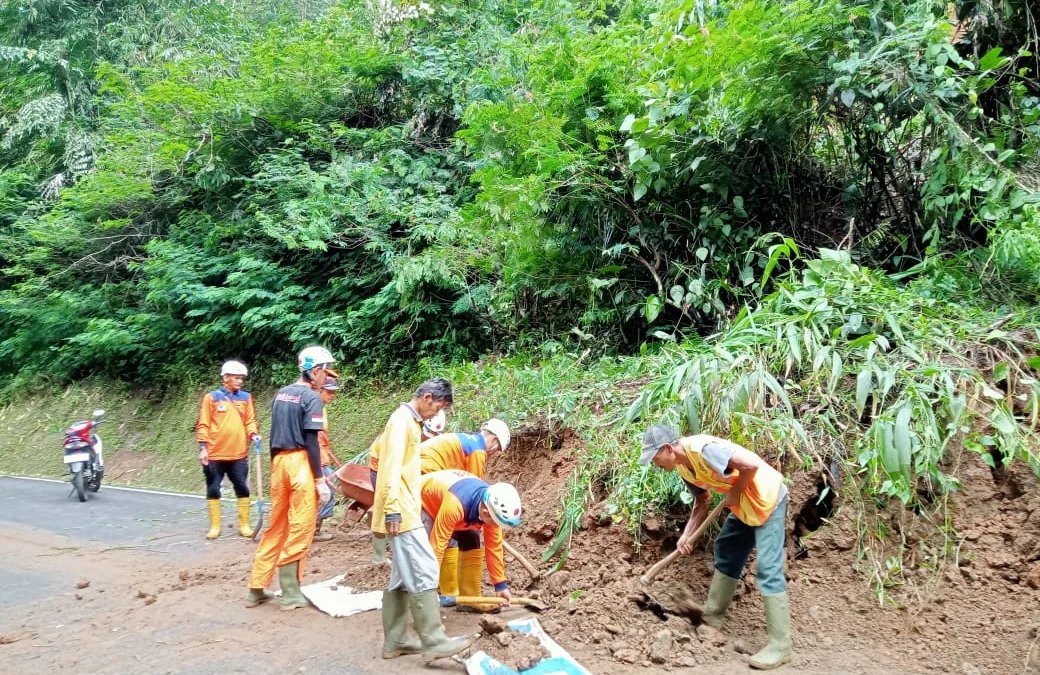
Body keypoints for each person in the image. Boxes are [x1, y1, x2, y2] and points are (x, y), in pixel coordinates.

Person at [639, 424, 791, 670]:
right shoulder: (684, 467)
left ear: (667, 448)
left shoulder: (703, 450)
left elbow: (750, 465)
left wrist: (737, 490)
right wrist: (686, 536)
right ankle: (713, 616)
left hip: (767, 499)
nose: (655, 464)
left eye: (654, 457)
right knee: (727, 549)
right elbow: (702, 501)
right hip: (744, 504)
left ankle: (781, 646)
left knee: (768, 569)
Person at [370, 378, 473, 663]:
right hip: (400, 510)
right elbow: (389, 468)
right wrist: (391, 508)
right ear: (427, 397)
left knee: (403, 574)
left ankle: (396, 639)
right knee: (425, 566)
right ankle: (434, 640)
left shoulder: (409, 422)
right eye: (437, 407)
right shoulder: (401, 422)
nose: (436, 414)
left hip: (406, 506)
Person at [245, 347, 334, 610]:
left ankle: (256, 587)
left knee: (277, 525)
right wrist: (319, 479)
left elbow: (274, 433)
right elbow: (311, 440)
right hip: (299, 463)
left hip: (279, 462)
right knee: (301, 525)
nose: (325, 378)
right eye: (325, 371)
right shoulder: (311, 397)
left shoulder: (281, 394)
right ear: (315, 370)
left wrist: (276, 465)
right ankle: (291, 591)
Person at [419, 419, 511, 601]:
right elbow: (474, 488)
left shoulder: (471, 443)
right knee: (449, 538)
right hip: (421, 476)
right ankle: (441, 591)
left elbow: (493, 543)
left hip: (436, 477)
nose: (495, 454)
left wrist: (500, 584)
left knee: (470, 533)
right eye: (497, 450)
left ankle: (467, 596)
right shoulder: (478, 451)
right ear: (493, 440)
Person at [420, 469, 520, 612]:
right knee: (438, 544)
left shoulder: (491, 511)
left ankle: (470, 598)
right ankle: (429, 600)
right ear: (485, 513)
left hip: (451, 501)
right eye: (494, 523)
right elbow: (438, 544)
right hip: (424, 502)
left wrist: (500, 585)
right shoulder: (456, 505)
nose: (495, 527)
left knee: (472, 537)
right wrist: (429, 587)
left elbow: (494, 547)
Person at [195, 360, 260, 539]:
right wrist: (203, 447)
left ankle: (244, 525)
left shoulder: (246, 398)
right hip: (215, 453)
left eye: (241, 378)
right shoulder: (212, 398)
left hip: (239, 454)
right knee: (213, 488)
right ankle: (215, 527)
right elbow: (203, 424)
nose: (239, 381)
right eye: (236, 378)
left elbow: (250, 421)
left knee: (242, 487)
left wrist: (253, 433)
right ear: (225, 377)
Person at [313, 372, 341, 543]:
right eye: (329, 391)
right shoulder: (313, 407)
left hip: (323, 455)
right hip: (317, 457)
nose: (332, 395)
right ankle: (313, 529)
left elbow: (322, 439)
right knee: (326, 492)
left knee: (325, 492)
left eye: (334, 391)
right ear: (319, 389)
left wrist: (333, 458)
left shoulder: (321, 409)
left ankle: (314, 527)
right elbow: (312, 438)